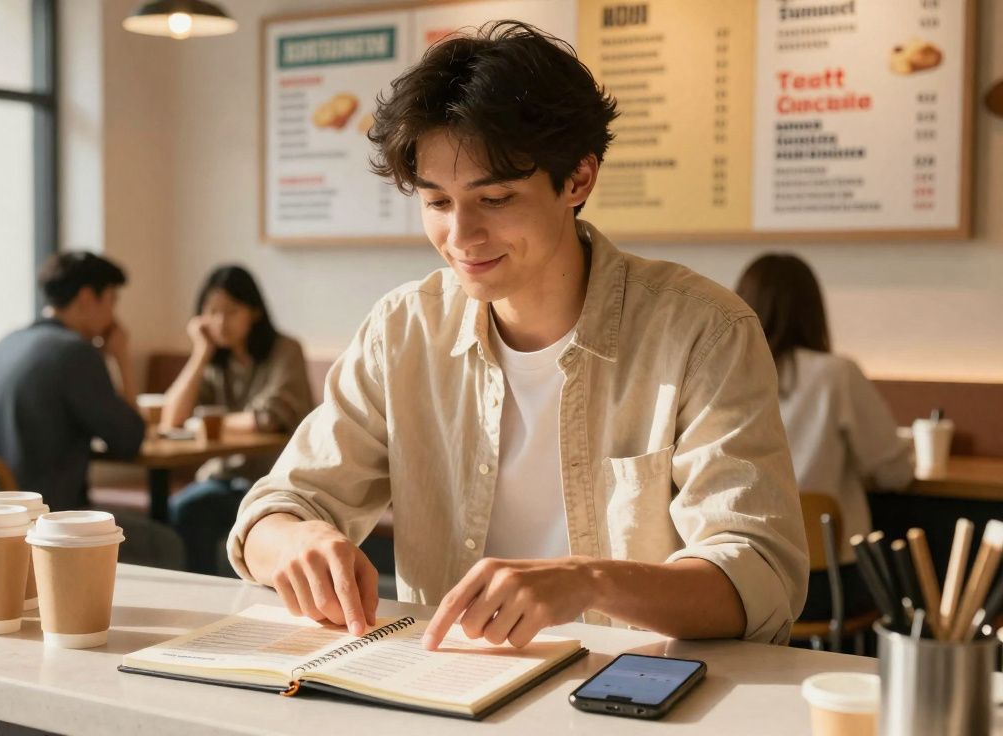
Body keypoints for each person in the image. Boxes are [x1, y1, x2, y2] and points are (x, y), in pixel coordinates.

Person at [227, 21, 808, 648]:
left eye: (496, 198)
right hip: (444, 689)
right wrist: (297, 539)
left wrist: (588, 581)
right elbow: (276, 508)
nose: (461, 237)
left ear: (578, 180)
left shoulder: (703, 332)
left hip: (638, 696)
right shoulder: (402, 331)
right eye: (438, 203)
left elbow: (761, 577)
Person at [736, 253, 912, 622]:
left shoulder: (726, 373)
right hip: (830, 585)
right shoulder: (836, 375)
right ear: (812, 309)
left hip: (743, 583)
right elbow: (893, 473)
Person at [0, 252, 145, 513]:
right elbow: (129, 440)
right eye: (111, 301)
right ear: (86, 298)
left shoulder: (9, 342)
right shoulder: (75, 353)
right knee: (166, 543)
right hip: (46, 524)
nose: (113, 317)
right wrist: (122, 358)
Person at [161, 265, 314, 575]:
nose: (220, 322)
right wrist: (200, 353)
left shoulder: (285, 350)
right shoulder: (215, 362)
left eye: (230, 311)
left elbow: (269, 418)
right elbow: (171, 419)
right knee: (184, 509)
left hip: (273, 481)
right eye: (211, 311)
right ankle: (200, 594)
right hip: (221, 479)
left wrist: (204, 421)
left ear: (254, 311)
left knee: (197, 510)